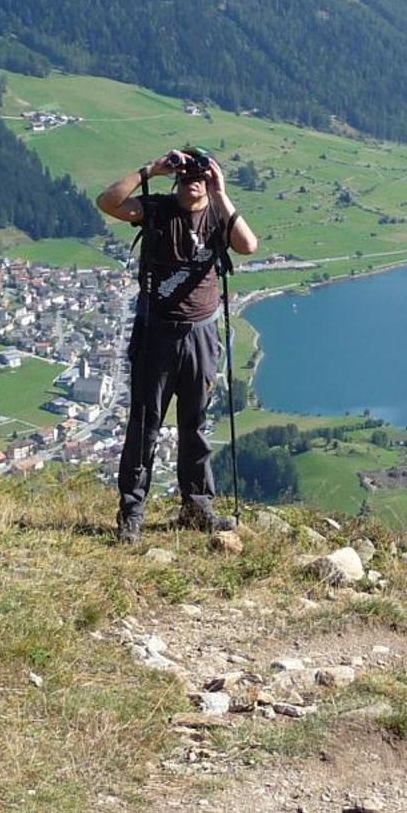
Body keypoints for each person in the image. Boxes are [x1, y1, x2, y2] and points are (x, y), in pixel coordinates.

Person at [96, 148, 259, 542]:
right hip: (157, 332)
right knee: (145, 425)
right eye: (186, 174)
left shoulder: (218, 214)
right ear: (175, 179)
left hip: (201, 333)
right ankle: (131, 514)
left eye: (200, 174)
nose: (193, 180)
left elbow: (248, 245)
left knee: (196, 425)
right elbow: (108, 202)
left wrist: (220, 193)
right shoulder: (158, 210)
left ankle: (197, 507)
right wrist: (149, 169)